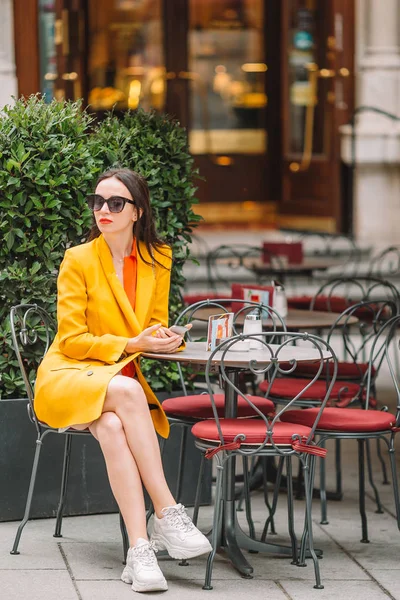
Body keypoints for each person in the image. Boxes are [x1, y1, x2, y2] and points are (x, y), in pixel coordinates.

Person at [34, 167, 211, 593]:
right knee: (129, 392)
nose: (104, 210)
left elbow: (152, 324)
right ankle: (167, 511)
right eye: (98, 201)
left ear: (138, 211)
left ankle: (140, 551)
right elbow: (72, 340)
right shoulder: (78, 259)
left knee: (113, 426)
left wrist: (161, 338)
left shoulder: (158, 257)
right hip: (69, 373)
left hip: (115, 381)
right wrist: (133, 341)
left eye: (116, 203)